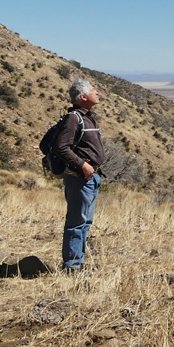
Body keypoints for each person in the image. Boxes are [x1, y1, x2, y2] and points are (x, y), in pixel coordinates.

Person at [55, 77, 106, 271]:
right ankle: (72, 266)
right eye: (93, 90)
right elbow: (61, 147)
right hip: (79, 178)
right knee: (77, 222)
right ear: (83, 96)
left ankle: (78, 262)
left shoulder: (88, 117)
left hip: (91, 178)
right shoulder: (73, 118)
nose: (97, 93)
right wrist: (82, 165)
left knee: (85, 221)